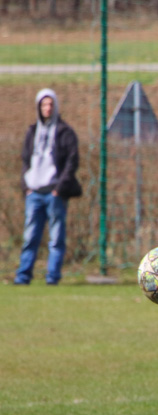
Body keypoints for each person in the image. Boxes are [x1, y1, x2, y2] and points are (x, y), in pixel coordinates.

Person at [14, 88, 82, 286]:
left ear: (56, 106)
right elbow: (25, 159)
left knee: (56, 239)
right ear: (39, 107)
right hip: (33, 193)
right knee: (30, 238)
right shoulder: (32, 131)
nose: (48, 108)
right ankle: (23, 277)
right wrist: (26, 185)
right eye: (44, 104)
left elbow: (72, 161)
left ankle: (52, 278)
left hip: (54, 193)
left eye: (51, 104)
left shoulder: (65, 132)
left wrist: (58, 189)